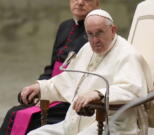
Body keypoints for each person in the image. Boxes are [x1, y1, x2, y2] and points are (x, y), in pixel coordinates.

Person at [21, 9, 151, 135]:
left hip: (112, 124)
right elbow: (68, 80)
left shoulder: (127, 54)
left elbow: (132, 89)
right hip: (77, 122)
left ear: (113, 30)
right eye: (90, 34)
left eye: (99, 33)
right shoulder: (87, 49)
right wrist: (41, 87)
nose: (94, 40)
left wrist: (99, 94)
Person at [0, 0, 100, 134]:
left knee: (18, 115)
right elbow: (52, 66)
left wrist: (49, 92)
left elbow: (85, 75)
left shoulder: (97, 32)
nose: (80, 2)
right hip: (51, 87)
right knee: (16, 110)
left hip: (69, 97)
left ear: (97, 3)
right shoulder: (64, 26)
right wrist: (38, 86)